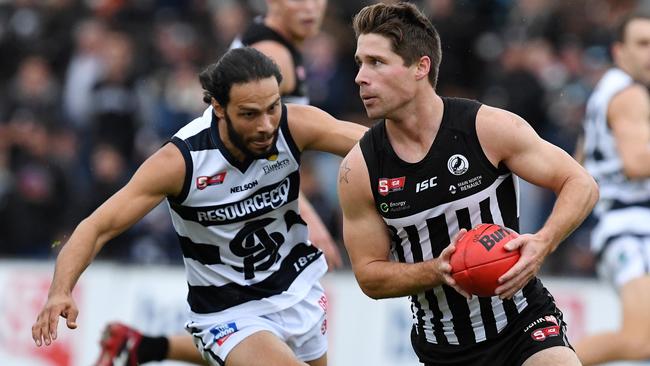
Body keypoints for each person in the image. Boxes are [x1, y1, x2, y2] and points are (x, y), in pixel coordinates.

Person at [32, 47, 367, 366]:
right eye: (249, 114)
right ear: (219, 108)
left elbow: (375, 148)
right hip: (229, 311)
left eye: (273, 108)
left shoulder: (293, 126)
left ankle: (144, 348)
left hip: (298, 288)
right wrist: (60, 290)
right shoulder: (181, 162)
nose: (266, 125)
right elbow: (96, 227)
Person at [337, 3, 598, 366]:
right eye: (359, 62)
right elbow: (369, 275)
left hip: (522, 321)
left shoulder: (485, 128)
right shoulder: (360, 168)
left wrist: (543, 242)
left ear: (420, 67)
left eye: (376, 62)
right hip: (443, 346)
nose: (360, 77)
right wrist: (438, 270)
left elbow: (580, 183)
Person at [94, 1, 336, 365]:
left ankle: (146, 347)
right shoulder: (275, 57)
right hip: (235, 198)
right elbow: (270, 146)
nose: (311, 8)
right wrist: (309, 215)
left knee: (252, 324)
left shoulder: (261, 45)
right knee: (245, 317)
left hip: (245, 205)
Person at [573, 11, 650, 365]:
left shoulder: (605, 92)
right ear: (619, 51)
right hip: (631, 228)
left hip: (620, 225)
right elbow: (638, 163)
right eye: (642, 44)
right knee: (641, 343)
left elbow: (579, 162)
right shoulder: (630, 94)